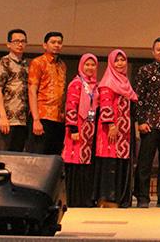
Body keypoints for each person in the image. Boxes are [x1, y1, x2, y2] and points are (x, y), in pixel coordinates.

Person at [133, 36, 160, 209]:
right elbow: (139, 98)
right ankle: (142, 197)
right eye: (159, 49)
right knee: (145, 162)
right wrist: (141, 121)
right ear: (153, 52)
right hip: (150, 124)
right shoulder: (145, 71)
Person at [95, 49, 138, 208]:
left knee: (121, 163)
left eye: (123, 60)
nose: (120, 64)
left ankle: (121, 198)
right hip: (110, 130)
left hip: (124, 132)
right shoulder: (107, 82)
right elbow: (105, 105)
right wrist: (111, 125)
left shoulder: (125, 83)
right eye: (117, 61)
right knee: (110, 163)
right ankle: (108, 199)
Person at [62, 53, 99, 207]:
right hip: (76, 128)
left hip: (90, 129)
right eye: (87, 65)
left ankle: (85, 199)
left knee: (86, 164)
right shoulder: (76, 84)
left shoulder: (95, 85)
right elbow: (70, 106)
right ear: (81, 66)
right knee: (75, 162)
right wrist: (73, 128)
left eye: (93, 65)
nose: (90, 68)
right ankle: (74, 199)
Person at [26, 31, 67, 155]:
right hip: (42, 116)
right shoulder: (38, 62)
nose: (56, 45)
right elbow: (32, 91)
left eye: (59, 43)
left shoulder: (62, 65)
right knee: (38, 156)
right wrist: (36, 119)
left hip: (58, 118)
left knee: (53, 157)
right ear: (45, 45)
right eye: (53, 42)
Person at [0, 29, 30, 152]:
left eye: (23, 41)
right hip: (6, 119)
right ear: (8, 44)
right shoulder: (3, 63)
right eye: (16, 41)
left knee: (15, 159)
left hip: (21, 120)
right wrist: (2, 116)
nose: (20, 44)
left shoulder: (25, 65)